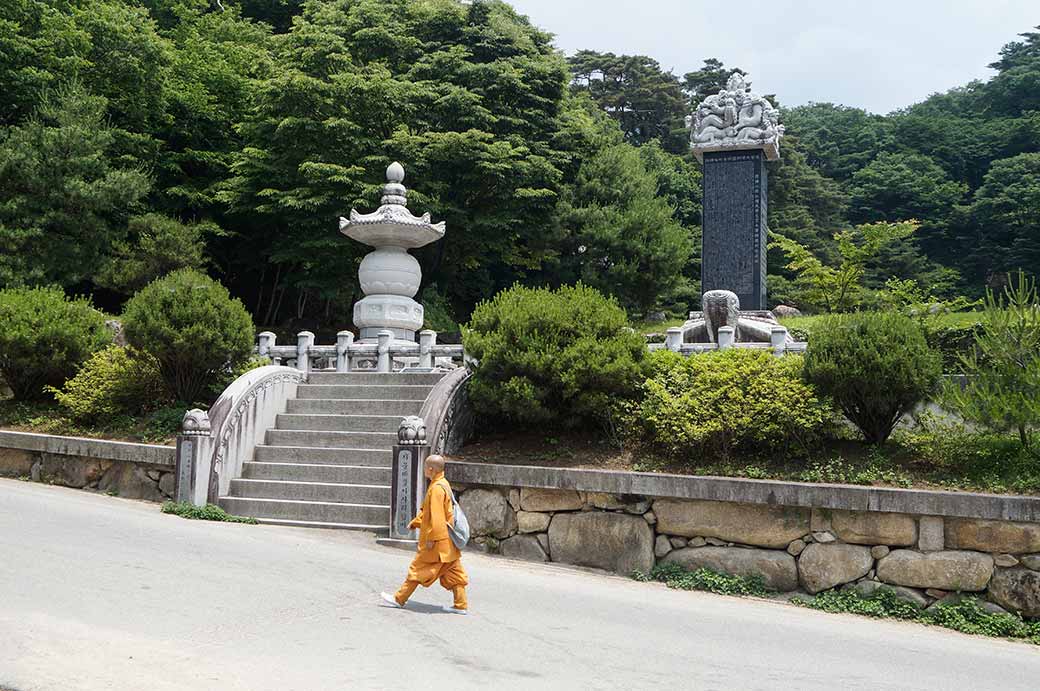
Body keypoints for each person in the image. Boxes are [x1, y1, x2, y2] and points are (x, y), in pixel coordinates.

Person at [381, 455, 469, 614]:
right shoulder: (443, 483)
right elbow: (431, 513)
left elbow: (437, 517)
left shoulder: (436, 489)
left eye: (425, 467)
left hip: (437, 542)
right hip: (447, 541)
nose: (423, 470)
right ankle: (460, 604)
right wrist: (416, 522)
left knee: (418, 569)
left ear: (430, 469)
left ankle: (399, 598)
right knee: (454, 572)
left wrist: (431, 539)